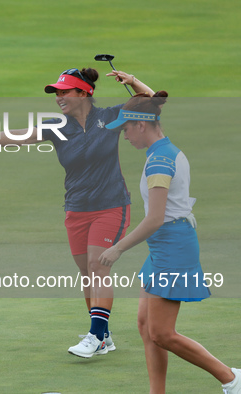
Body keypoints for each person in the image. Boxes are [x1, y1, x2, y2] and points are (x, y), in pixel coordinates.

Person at [0, 67, 154, 357]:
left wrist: (133, 81)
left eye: (65, 91)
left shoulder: (111, 117)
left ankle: (95, 335)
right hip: (76, 208)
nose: (59, 97)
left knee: (99, 268)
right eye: (57, 92)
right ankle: (104, 337)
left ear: (84, 93)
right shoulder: (58, 126)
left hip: (111, 205)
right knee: (87, 273)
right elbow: (22, 135)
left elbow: (151, 101)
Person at [99, 92, 240, 393]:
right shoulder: (162, 146)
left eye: (125, 129)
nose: (123, 136)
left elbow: (155, 219)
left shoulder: (159, 162)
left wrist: (117, 248)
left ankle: (231, 379)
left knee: (162, 333)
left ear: (140, 125)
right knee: (145, 325)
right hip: (163, 247)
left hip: (173, 247)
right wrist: (135, 85)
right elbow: (154, 107)